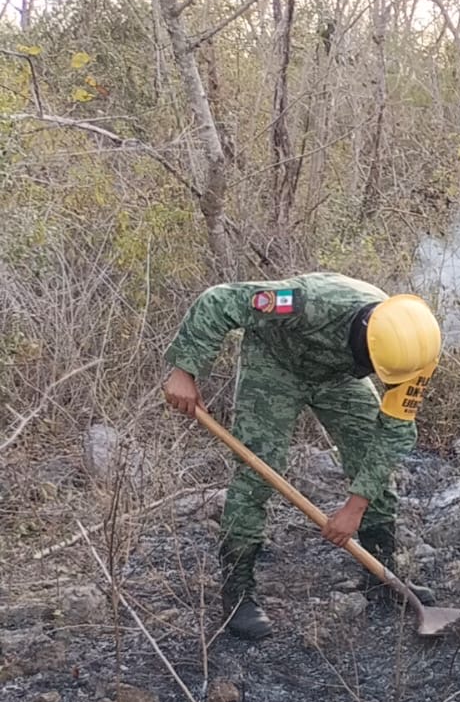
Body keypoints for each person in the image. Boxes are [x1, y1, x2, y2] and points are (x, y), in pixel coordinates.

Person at [160, 272, 443, 640]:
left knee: (368, 452)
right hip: (276, 363)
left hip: (340, 377)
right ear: (367, 344)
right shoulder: (304, 302)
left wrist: (354, 507)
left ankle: (382, 577)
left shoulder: (415, 352)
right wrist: (185, 368)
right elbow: (219, 299)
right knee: (257, 472)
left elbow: (392, 434)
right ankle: (238, 594)